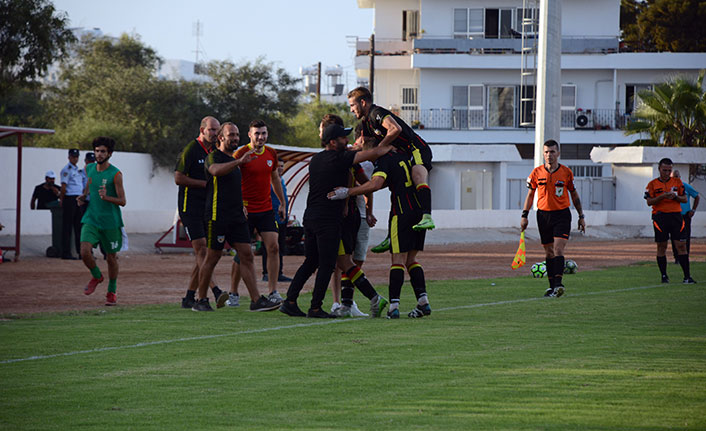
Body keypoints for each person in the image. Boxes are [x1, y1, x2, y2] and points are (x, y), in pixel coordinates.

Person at [279, 123, 391, 318]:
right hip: (327, 220)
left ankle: (289, 301)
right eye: (342, 138)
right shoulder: (340, 159)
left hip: (311, 217)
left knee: (311, 261)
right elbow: (371, 154)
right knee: (328, 264)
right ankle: (315, 308)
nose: (346, 141)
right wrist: (389, 147)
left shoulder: (316, 159)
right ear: (332, 142)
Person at [328, 140, 431, 319]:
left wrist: (348, 192)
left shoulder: (384, 159)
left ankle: (393, 307)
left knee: (397, 260)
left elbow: (375, 184)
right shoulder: (407, 156)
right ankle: (423, 302)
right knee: (411, 259)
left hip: (401, 211)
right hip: (418, 210)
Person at [192, 122, 281, 312]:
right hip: (217, 216)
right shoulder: (214, 156)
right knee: (212, 257)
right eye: (231, 135)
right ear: (221, 138)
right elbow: (215, 171)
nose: (235, 138)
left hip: (237, 216)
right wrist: (239, 163)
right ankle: (201, 300)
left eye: (237, 134)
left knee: (247, 255)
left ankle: (256, 300)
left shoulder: (239, 158)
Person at [347, 86, 435, 257]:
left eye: (352, 105)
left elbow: (396, 129)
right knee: (397, 190)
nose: (351, 110)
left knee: (417, 176)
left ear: (363, 102)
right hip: (403, 154)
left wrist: (380, 149)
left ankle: (427, 216)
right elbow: (362, 144)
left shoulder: (375, 112)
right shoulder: (365, 124)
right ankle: (390, 236)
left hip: (416, 148)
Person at [228, 120, 287, 305]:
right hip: (245, 211)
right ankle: (233, 293)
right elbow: (232, 180)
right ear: (249, 135)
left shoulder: (271, 153)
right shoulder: (240, 154)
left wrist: (283, 203)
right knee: (242, 253)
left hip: (266, 209)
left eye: (263, 133)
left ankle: (273, 291)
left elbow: (275, 177)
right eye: (257, 133)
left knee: (274, 247)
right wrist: (238, 204)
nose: (260, 137)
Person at [520, 140, 586, 297]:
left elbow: (574, 194)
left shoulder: (566, 172)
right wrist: (524, 215)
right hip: (543, 215)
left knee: (558, 248)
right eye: (546, 152)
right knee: (549, 252)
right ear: (543, 154)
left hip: (562, 214)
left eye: (552, 152)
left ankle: (559, 284)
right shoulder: (536, 173)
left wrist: (581, 216)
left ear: (558, 153)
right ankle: (551, 287)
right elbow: (530, 195)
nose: (549, 155)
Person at [174, 116, 227, 309]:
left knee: (202, 254)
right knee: (203, 251)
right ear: (202, 130)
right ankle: (215, 290)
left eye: (217, 130)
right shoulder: (190, 149)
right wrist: (203, 185)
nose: (215, 134)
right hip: (190, 207)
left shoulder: (215, 151)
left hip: (208, 206)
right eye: (212, 130)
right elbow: (178, 178)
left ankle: (189, 297)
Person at [78, 137, 126, 306]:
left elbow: (123, 201)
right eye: (97, 151)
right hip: (91, 218)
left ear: (110, 154)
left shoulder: (116, 174)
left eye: (102, 151)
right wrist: (84, 196)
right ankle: (97, 276)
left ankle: (111, 291)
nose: (99, 154)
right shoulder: (88, 168)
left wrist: (107, 197)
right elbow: (89, 184)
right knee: (84, 251)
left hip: (110, 222)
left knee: (111, 258)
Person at [645, 158, 695, 284]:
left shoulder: (677, 182)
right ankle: (664, 276)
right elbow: (649, 201)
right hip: (660, 217)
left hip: (676, 217)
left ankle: (687, 277)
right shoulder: (652, 184)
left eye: (669, 170)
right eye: (664, 170)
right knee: (662, 246)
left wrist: (675, 197)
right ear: (659, 169)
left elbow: (684, 199)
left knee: (681, 245)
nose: (667, 173)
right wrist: (662, 196)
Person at [670, 169, 699, 262]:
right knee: (674, 236)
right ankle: (677, 257)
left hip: (684, 215)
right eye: (673, 177)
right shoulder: (669, 188)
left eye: (677, 177)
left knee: (685, 237)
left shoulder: (685, 186)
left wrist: (693, 210)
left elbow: (696, 196)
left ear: (680, 177)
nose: (675, 179)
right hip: (673, 215)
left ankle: (685, 256)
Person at [60, 148, 83, 259]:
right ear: (69, 157)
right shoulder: (66, 169)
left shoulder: (78, 170)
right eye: (73, 156)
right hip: (69, 199)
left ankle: (80, 252)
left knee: (78, 227)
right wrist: (62, 200)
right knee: (67, 227)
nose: (75, 158)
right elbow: (63, 187)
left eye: (77, 156)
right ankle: (66, 252)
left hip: (78, 199)